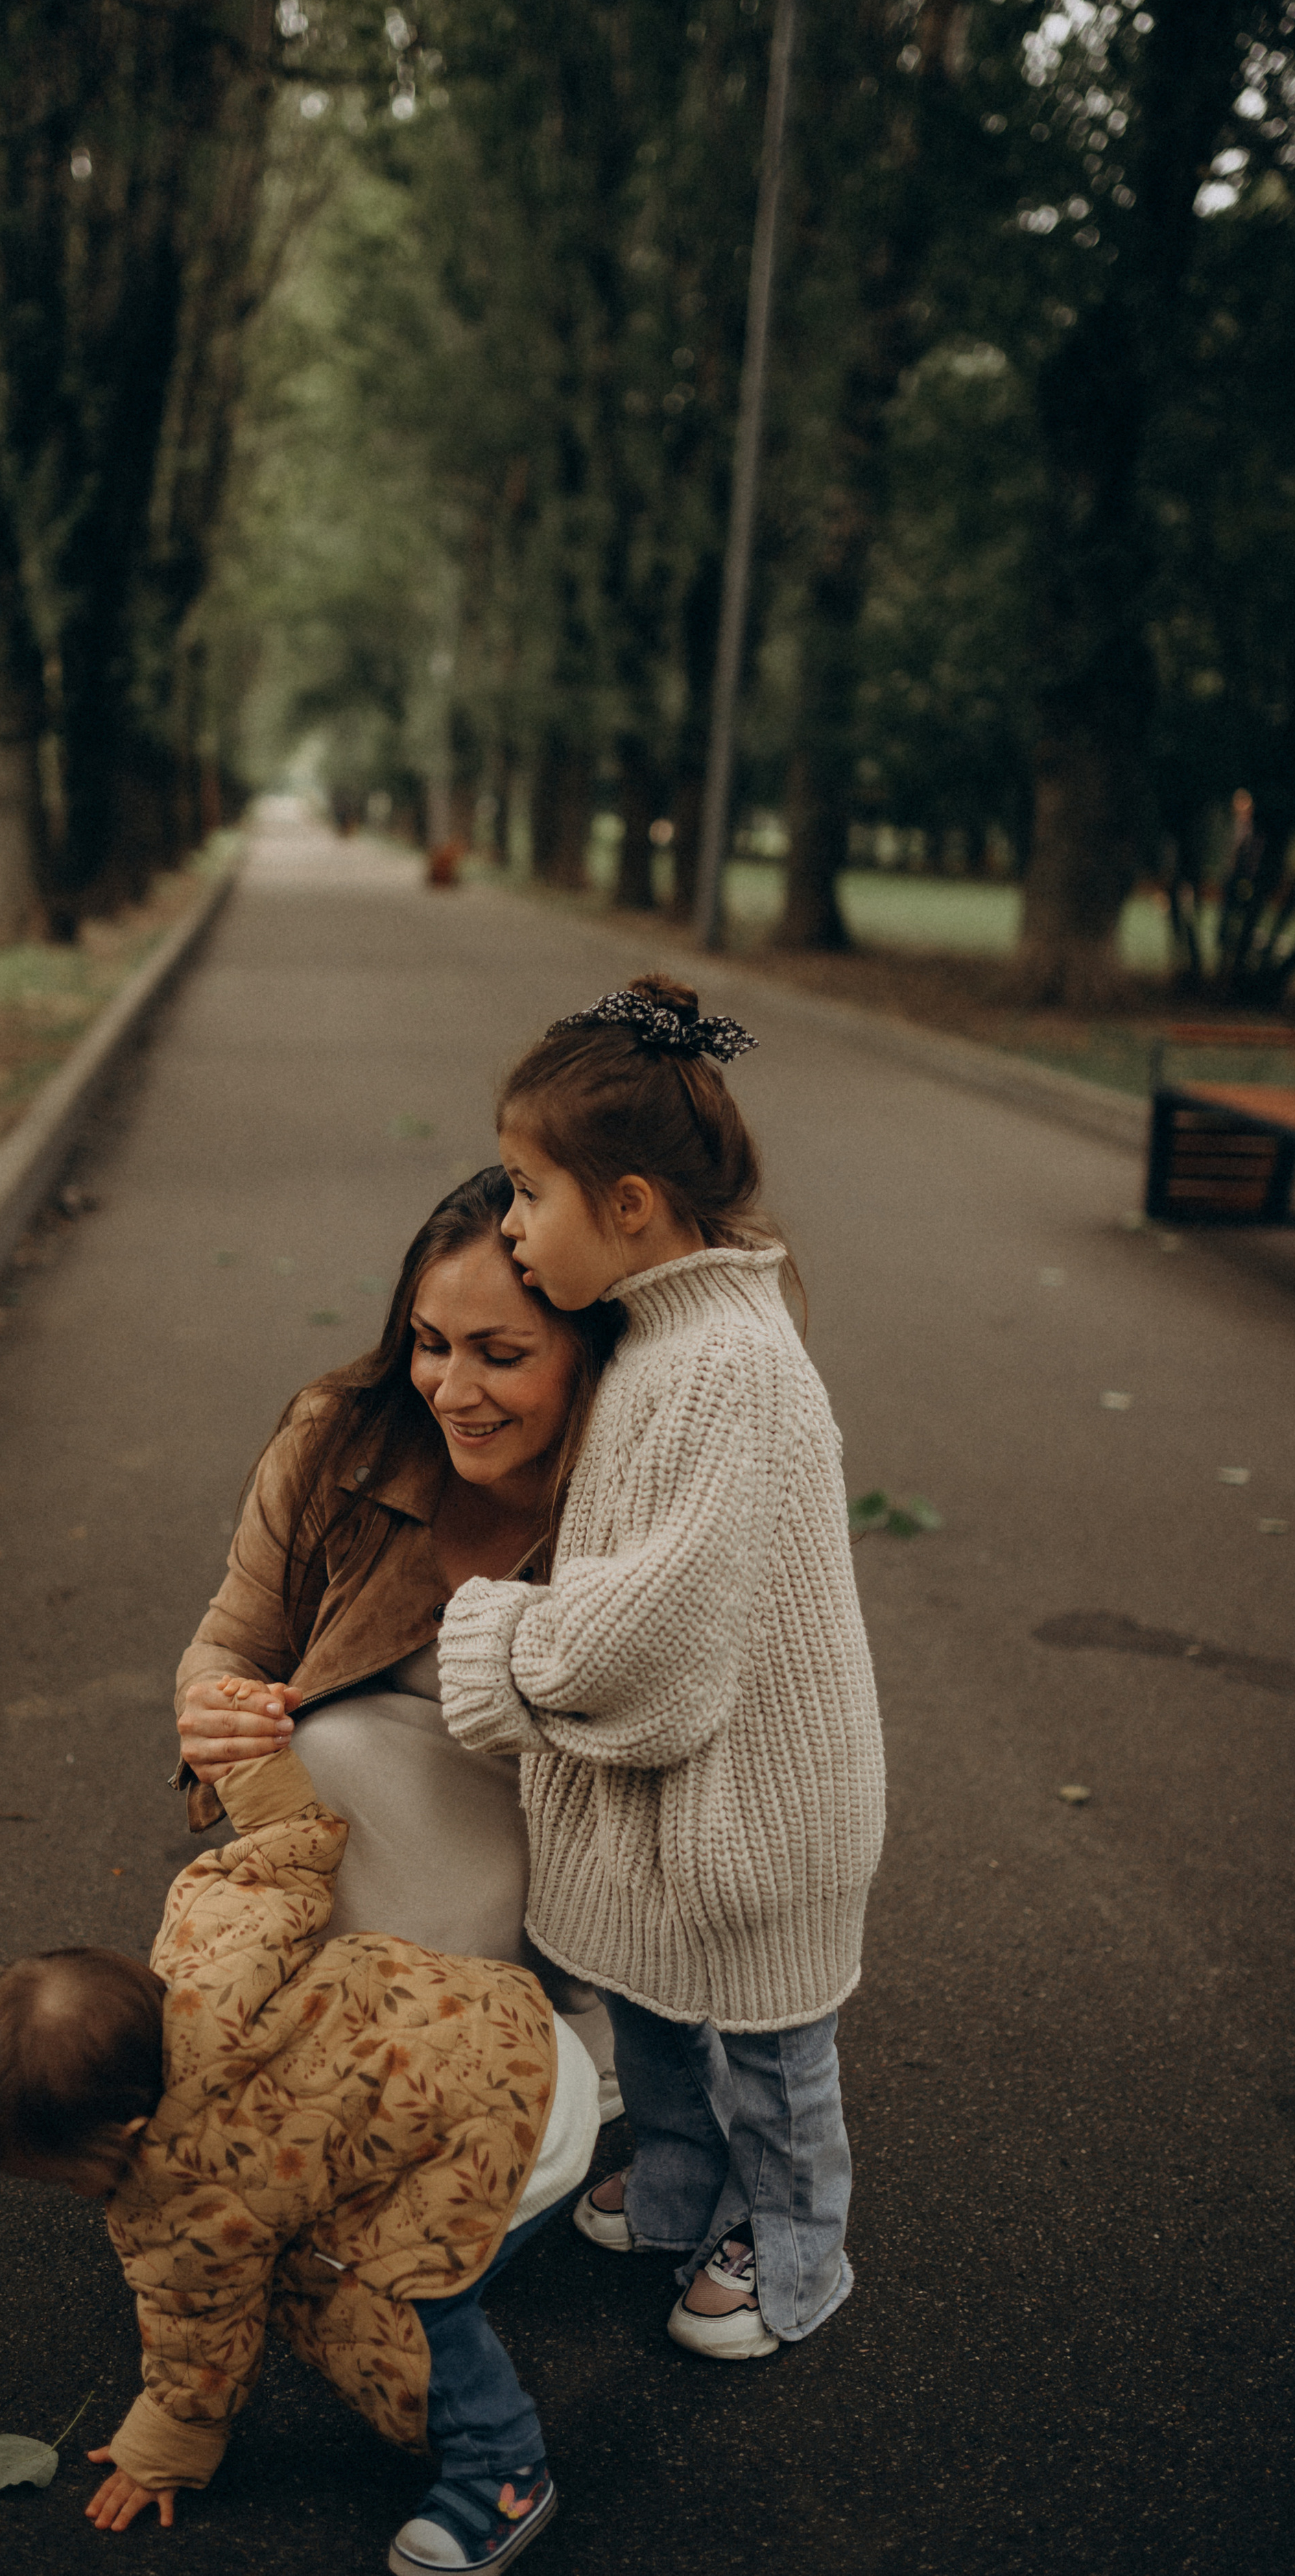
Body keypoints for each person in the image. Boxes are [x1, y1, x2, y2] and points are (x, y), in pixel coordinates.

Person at [436, 975, 886, 2363]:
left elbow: (659, 1634)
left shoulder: (724, 1366)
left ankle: (800, 2248)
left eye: (526, 1191)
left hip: (755, 1800)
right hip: (674, 1795)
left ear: (628, 1204)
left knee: (766, 2054)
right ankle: (687, 2187)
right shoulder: (659, 1337)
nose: (508, 1224)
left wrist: (497, 1639)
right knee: (649, 2012)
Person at [0, 1746, 597, 2575]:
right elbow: (286, 1847)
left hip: (508, 2144)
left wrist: (170, 2438)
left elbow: (198, 2332)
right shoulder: (203, 1952)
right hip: (518, 2032)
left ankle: (503, 2476)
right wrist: (252, 1763)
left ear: (132, 2128)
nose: (75, 2194)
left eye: (68, 2174)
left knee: (401, 2305)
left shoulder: (179, 2192)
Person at [171, 1167, 621, 2095]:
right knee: (321, 1751)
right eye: (429, 1345)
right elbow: (232, 1643)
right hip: (369, 1823)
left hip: (584, 1852)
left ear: (590, 1352)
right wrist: (213, 1709)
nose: (452, 1390)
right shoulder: (340, 1436)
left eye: (500, 1356)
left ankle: (568, 2049)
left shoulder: (643, 1487)